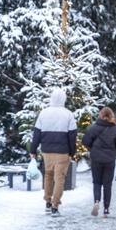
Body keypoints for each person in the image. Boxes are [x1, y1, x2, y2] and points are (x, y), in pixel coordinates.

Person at [30, 88, 77, 217]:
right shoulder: (68, 114)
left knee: (48, 175)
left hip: (46, 151)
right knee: (59, 178)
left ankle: (47, 201)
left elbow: (37, 134)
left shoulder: (43, 113)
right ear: (63, 99)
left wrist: (33, 150)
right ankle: (55, 205)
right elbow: (72, 136)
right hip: (62, 152)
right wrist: (72, 152)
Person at [82, 107, 116, 217]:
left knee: (96, 182)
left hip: (96, 158)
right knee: (107, 184)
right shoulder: (115, 130)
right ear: (111, 116)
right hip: (109, 160)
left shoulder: (94, 128)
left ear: (100, 115)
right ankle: (106, 209)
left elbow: (85, 141)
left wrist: (93, 150)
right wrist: (114, 155)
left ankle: (96, 201)